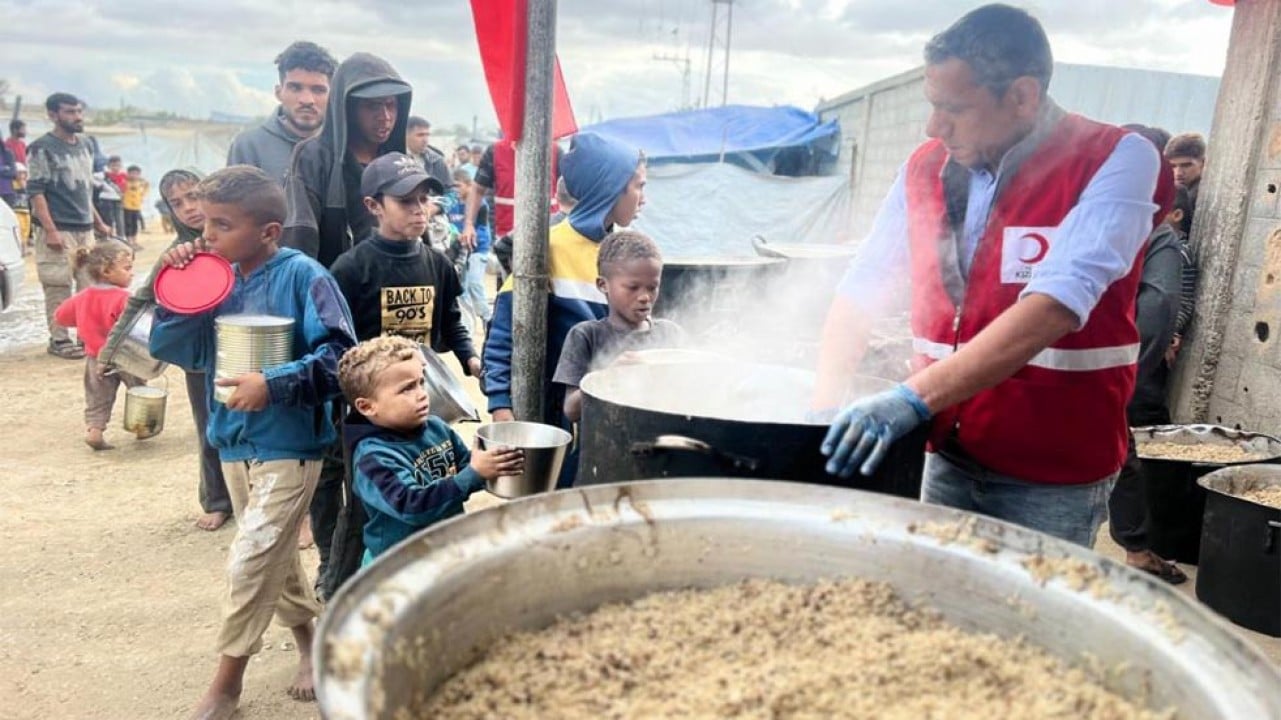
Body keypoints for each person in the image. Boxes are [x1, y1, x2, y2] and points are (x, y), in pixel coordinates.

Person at [814, 4, 1159, 548]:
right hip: (945, 450)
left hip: (1053, 473)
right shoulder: (925, 167)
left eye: (953, 107)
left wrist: (908, 399)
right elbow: (864, 285)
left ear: (1022, 95)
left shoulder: (1116, 158)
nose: (933, 126)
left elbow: (1054, 305)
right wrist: (823, 409)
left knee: (1031, 621)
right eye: (933, 106)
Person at [148, 165, 356, 717]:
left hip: (292, 443)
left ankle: (226, 685)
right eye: (202, 221)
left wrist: (275, 382)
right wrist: (175, 288)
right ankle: (311, 644)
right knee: (276, 554)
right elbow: (179, 348)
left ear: (268, 231)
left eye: (221, 224)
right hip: (232, 442)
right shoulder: (217, 275)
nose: (205, 234)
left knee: (251, 557)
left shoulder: (305, 276)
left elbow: (342, 357)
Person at [323, 152, 480, 595]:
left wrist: (470, 358)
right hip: (368, 411)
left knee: (428, 474)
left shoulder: (436, 264)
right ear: (374, 206)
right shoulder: (353, 268)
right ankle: (340, 588)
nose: (419, 209)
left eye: (425, 199)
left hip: (419, 397)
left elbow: (450, 319)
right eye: (405, 201)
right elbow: (335, 339)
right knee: (365, 505)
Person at [483, 132, 645, 432]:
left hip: (608, 410)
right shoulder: (547, 247)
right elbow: (504, 331)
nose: (644, 199)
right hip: (554, 414)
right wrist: (501, 405)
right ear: (611, 187)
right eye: (639, 186)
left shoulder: (626, 253)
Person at [103, 168, 235, 531]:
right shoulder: (174, 255)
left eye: (194, 196)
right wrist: (110, 351)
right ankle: (217, 500)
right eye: (177, 203)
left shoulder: (236, 237)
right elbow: (140, 301)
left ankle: (256, 496)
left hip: (241, 345)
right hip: (198, 355)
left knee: (255, 421)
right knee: (208, 426)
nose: (188, 208)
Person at [337, 335, 522, 564]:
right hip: (398, 565)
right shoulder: (372, 458)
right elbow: (413, 505)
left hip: (444, 551)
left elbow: (468, 467)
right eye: (406, 389)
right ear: (367, 406)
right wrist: (474, 473)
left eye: (421, 382)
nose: (421, 394)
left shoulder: (437, 427)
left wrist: (497, 463)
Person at [1107, 189, 1188, 584]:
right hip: (1105, 366)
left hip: (1029, 359)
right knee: (1119, 451)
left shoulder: (1068, 210)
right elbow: (1159, 308)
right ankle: (1136, 551)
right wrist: (1131, 372)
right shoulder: (1155, 234)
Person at [282, 52, 412, 268]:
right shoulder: (313, 157)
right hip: (333, 287)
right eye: (372, 106)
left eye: (390, 105)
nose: (385, 116)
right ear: (347, 108)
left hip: (388, 287)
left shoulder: (400, 165)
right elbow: (301, 236)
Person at [553, 229, 684, 424]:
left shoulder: (670, 333)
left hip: (664, 444)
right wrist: (608, 377)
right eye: (633, 287)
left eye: (652, 287)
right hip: (605, 449)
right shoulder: (587, 336)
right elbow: (571, 411)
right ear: (603, 285)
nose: (644, 297)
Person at [28, 92, 116, 359]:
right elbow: (36, 192)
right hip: (57, 228)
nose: (77, 117)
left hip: (84, 227)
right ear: (53, 115)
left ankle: (85, 337)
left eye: (79, 111)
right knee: (58, 284)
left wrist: (99, 222)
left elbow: (84, 190)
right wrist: (51, 230)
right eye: (70, 112)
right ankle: (59, 339)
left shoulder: (86, 145)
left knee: (89, 284)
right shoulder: (42, 147)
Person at [53, 240, 142, 450]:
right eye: (127, 268)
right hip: (126, 356)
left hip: (95, 359)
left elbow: (60, 317)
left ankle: (95, 431)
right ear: (107, 271)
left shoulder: (83, 297)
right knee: (138, 390)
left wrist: (85, 320)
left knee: (97, 398)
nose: (132, 273)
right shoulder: (124, 298)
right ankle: (142, 426)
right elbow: (135, 326)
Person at [227, 41, 338, 185]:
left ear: (333, 96)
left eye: (318, 90)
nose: (307, 100)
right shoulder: (248, 147)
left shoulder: (343, 148)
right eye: (295, 88)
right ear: (279, 93)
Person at [450, 168, 492, 324]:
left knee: (474, 284)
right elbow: (450, 226)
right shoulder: (452, 204)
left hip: (477, 250)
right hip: (459, 253)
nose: (455, 190)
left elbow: (482, 230)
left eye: (458, 185)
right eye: (453, 186)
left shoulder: (479, 205)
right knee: (462, 290)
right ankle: (468, 326)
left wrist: (467, 237)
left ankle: (487, 318)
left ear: (469, 185)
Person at [405, 115, 452, 189]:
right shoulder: (394, 158)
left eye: (427, 135)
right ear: (406, 135)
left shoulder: (436, 160)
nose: (425, 140)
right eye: (420, 135)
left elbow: (450, 191)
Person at [1164, 132, 1206, 208]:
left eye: (1186, 165)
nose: (1178, 173)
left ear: (1202, 163)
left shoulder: (1199, 196)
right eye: (1173, 166)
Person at [122, 164, 149, 248]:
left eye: (136, 173)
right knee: (128, 224)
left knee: (135, 224)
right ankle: (129, 241)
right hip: (126, 207)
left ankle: (134, 241)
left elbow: (147, 185)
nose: (134, 175)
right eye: (132, 173)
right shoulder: (125, 182)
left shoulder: (140, 183)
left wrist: (142, 195)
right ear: (128, 173)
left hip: (137, 207)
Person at [101, 155, 127, 237]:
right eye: (113, 165)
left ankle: (121, 238)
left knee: (120, 221)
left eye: (118, 165)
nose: (115, 168)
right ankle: (110, 237)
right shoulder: (104, 175)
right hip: (106, 200)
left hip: (118, 200)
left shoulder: (124, 176)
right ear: (109, 166)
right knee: (108, 221)